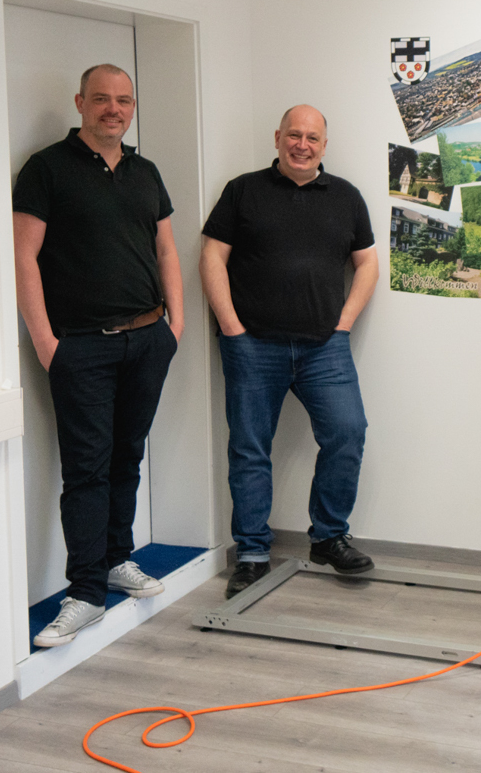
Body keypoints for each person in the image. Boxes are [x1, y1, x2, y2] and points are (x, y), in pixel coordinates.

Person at [13, 64, 184, 647]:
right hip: (80, 346)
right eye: (103, 100)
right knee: (86, 469)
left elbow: (166, 249)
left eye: (125, 100)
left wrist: (175, 325)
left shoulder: (145, 171)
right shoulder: (46, 170)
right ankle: (85, 593)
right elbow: (24, 256)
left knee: (127, 457)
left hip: (147, 339)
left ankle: (117, 559)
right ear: (81, 103)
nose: (114, 109)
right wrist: (45, 341)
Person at [200, 105, 380, 599]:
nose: (302, 144)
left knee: (348, 433)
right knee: (250, 449)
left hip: (325, 347)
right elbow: (212, 255)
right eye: (294, 135)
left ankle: (328, 537)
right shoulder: (244, 191)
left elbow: (366, 264)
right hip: (253, 344)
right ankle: (253, 554)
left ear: (326, 145)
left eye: (313, 138)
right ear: (278, 137)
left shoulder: (346, 197)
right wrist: (231, 327)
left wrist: (343, 324)